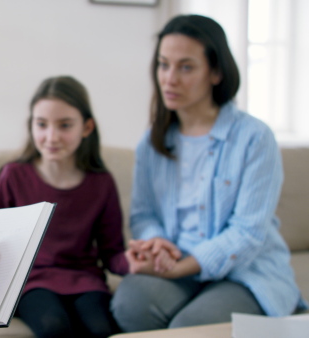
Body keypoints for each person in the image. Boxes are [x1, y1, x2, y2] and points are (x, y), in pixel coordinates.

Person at [110, 14, 307, 332]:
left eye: (186, 67)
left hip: (245, 271)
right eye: (163, 64)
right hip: (177, 262)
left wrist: (181, 267)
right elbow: (143, 216)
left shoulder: (255, 137)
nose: (170, 79)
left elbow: (247, 232)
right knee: (130, 304)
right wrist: (158, 245)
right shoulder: (152, 142)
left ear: (216, 72)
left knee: (191, 327)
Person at [0, 75, 128, 338]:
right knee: (55, 328)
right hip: (33, 283)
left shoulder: (101, 183)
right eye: (41, 124)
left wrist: (134, 263)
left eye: (64, 125)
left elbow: (112, 252)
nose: (51, 136)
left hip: (86, 281)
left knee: (100, 329)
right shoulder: (14, 176)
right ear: (31, 125)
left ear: (87, 128)